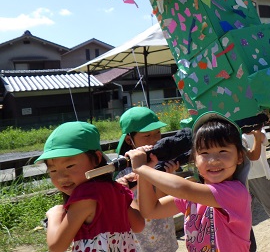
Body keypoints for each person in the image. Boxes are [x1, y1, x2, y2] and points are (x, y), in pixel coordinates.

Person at [126, 111, 252, 251]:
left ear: (240, 157)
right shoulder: (193, 198)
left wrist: (141, 168)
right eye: (204, 153)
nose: (213, 160)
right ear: (194, 160)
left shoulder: (235, 192)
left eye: (223, 151)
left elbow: (183, 189)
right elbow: (151, 210)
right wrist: (144, 174)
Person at [35, 121, 144, 252]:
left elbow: (56, 246)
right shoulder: (115, 189)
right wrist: (124, 193)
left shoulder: (85, 196)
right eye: (53, 171)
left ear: (97, 158)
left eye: (69, 166)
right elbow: (139, 225)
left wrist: (55, 214)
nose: (61, 177)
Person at [115, 106, 178, 252]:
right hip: (139, 243)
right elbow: (135, 212)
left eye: (157, 133)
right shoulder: (122, 171)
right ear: (130, 140)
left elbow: (164, 205)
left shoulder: (163, 162)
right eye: (147, 136)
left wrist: (167, 178)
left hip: (166, 238)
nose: (155, 140)